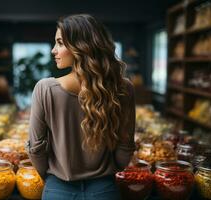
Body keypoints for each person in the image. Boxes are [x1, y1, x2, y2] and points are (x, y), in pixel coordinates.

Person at [27, 14, 136, 200]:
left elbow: (36, 149)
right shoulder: (124, 88)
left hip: (58, 190)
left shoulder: (44, 89)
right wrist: (108, 172)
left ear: (80, 47)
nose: (54, 50)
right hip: (104, 190)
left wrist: (52, 178)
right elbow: (125, 148)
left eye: (60, 43)